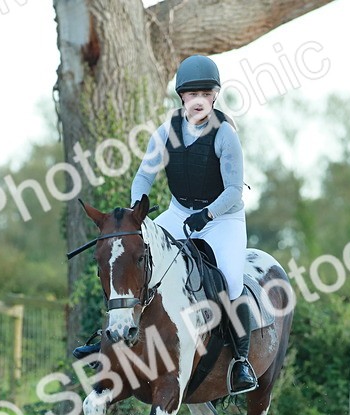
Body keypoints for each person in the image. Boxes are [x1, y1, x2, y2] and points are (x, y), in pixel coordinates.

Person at [73, 54, 257, 395]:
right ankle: (111, 342)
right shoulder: (166, 131)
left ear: (214, 96)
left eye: (206, 93)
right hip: (178, 211)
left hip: (223, 218)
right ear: (182, 97)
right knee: (134, 261)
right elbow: (144, 175)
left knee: (230, 282)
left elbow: (233, 191)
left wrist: (209, 215)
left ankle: (241, 361)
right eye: (192, 94)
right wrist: (132, 213)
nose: (198, 100)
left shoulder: (225, 135)